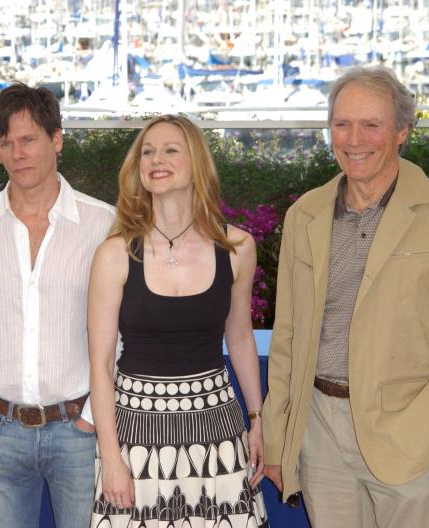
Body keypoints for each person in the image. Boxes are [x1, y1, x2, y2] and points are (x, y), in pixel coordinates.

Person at [262, 66, 429, 527]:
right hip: (320, 432)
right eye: (342, 123)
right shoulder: (305, 214)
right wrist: (278, 437)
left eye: (372, 124)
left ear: (403, 130)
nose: (354, 139)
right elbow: (287, 335)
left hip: (409, 429)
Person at [0, 83, 115, 528]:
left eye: (29, 139)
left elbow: (123, 332)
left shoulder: (103, 224)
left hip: (81, 430)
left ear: (57, 139)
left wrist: (93, 417)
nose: (17, 153)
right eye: (6, 143)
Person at [88, 114, 269, 527]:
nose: (157, 159)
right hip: (135, 430)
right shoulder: (115, 254)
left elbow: (240, 338)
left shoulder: (238, 247)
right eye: (148, 152)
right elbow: (99, 365)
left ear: (197, 163)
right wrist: (111, 457)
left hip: (216, 425)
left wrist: (257, 422)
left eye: (171, 149)